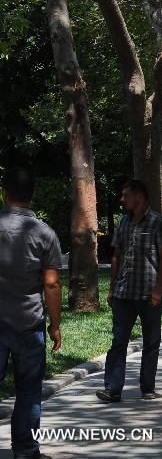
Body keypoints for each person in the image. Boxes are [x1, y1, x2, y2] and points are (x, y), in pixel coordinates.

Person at [0, 167, 62, 459]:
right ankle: (25, 449)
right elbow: (51, 283)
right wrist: (55, 325)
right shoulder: (44, 233)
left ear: (5, 192)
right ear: (32, 195)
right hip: (29, 321)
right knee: (28, 390)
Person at [97, 179, 162, 404]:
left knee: (151, 341)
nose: (123, 199)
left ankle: (147, 387)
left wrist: (159, 289)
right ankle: (112, 389)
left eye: (126, 195)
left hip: (149, 293)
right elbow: (116, 255)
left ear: (138, 197)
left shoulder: (158, 222)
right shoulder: (123, 222)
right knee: (118, 341)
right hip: (123, 292)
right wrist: (112, 288)